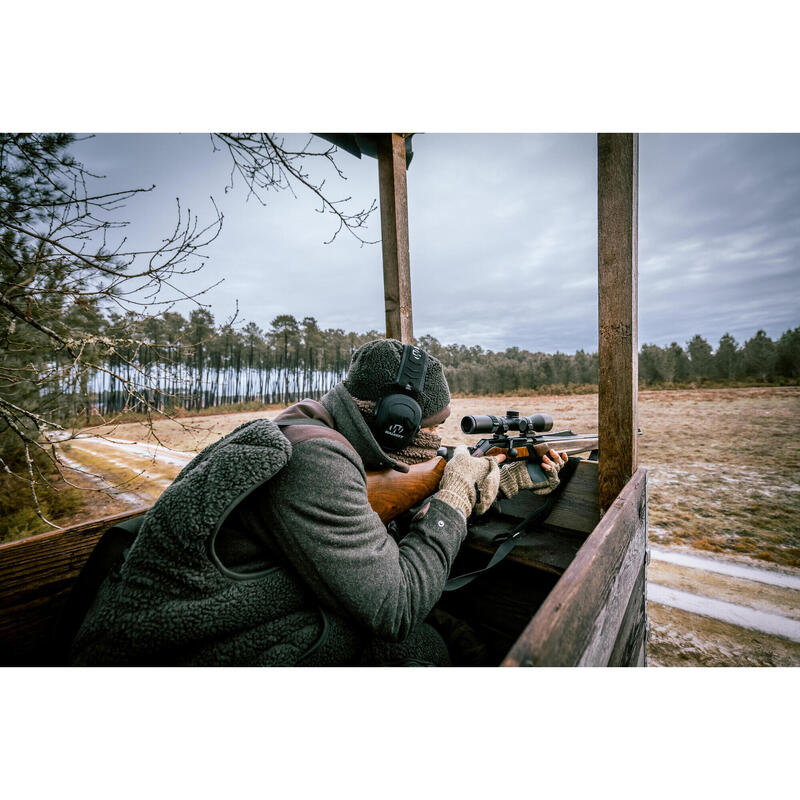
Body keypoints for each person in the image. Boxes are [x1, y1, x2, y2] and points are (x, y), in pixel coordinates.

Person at [70, 339, 566, 666]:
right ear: (395, 420)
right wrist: (455, 495)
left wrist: (503, 480)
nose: (435, 439)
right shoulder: (317, 461)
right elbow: (394, 608)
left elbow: (364, 523)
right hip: (182, 645)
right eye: (431, 426)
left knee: (448, 635)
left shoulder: (316, 426)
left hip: (237, 610)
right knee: (421, 648)